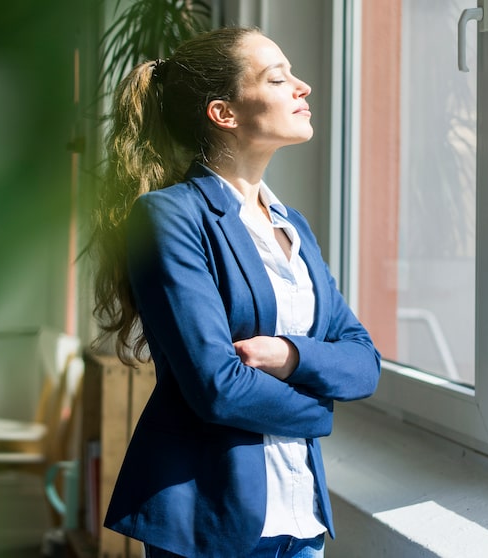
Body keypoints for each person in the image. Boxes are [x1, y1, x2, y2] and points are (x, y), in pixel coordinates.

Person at [89, 27, 381, 557]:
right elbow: (216, 386)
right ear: (224, 113)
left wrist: (290, 356)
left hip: (301, 519)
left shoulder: (294, 227)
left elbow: (364, 362)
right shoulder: (170, 216)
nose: (303, 87)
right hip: (211, 519)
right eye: (278, 77)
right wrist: (321, 411)